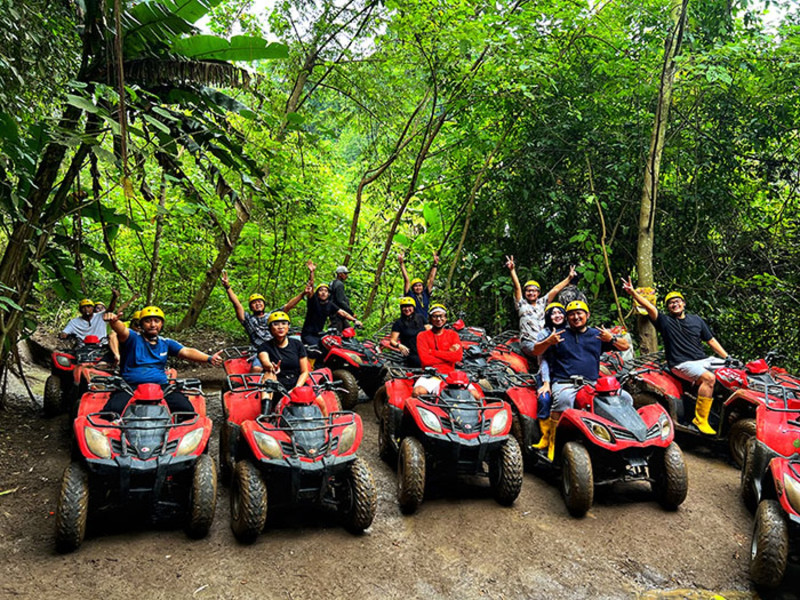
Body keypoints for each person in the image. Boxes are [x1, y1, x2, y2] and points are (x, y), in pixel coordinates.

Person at [622, 278, 729, 434]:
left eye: (677, 301)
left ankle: (722, 412)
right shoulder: (665, 321)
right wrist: (632, 292)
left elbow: (711, 340)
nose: (675, 304)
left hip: (703, 360)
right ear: (668, 308)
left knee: (734, 371)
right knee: (709, 378)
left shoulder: (696, 320)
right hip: (681, 363)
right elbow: (649, 307)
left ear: (683, 303)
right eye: (671, 303)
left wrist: (728, 358)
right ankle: (700, 420)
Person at [533, 300, 630, 459]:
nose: (576, 317)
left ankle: (621, 444)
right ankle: (554, 444)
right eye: (571, 314)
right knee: (563, 400)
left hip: (592, 384)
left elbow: (625, 346)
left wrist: (611, 338)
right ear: (567, 317)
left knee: (625, 398)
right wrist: (548, 342)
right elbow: (537, 350)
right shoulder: (559, 334)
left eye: (580, 313)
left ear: (587, 315)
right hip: (565, 382)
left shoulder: (597, 334)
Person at [101, 306, 223, 416]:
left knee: (187, 411)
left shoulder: (166, 343)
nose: (153, 324)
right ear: (141, 324)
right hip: (129, 386)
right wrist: (114, 321)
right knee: (110, 413)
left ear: (161, 324)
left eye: (156, 321)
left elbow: (186, 351)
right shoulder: (132, 338)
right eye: (148, 321)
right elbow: (121, 330)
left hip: (161, 386)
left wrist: (209, 358)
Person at [220, 266, 308, 372]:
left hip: (278, 347)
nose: (257, 304)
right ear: (251, 306)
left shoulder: (272, 316)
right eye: (254, 302)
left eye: (260, 301)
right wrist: (228, 287)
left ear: (264, 304)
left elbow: (288, 306)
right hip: (260, 350)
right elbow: (237, 304)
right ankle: (255, 387)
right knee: (257, 369)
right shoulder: (248, 319)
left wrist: (303, 293)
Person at [504, 256, 576, 357]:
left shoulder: (542, 303)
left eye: (534, 291)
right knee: (546, 353)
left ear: (538, 293)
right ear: (525, 293)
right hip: (529, 341)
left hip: (544, 338)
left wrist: (569, 278)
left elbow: (555, 290)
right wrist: (512, 270)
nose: (531, 293)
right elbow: (517, 287)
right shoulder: (521, 304)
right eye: (529, 290)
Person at [413, 303, 472, 397]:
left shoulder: (453, 335)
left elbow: (457, 357)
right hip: (431, 375)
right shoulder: (422, 336)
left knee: (476, 395)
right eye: (435, 316)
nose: (438, 319)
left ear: (446, 318)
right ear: (430, 319)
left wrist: (432, 352)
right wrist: (448, 354)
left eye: (441, 316)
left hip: (451, 374)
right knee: (418, 392)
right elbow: (425, 360)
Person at [530, 302, 566, 451]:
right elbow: (542, 359)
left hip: (565, 374)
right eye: (553, 313)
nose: (557, 315)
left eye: (560, 312)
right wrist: (546, 382)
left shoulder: (570, 331)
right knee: (545, 398)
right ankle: (546, 437)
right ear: (548, 316)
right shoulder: (544, 333)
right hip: (548, 374)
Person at [301, 264, 361, 347]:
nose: (323, 292)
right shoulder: (313, 301)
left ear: (328, 293)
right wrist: (312, 273)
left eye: (325, 291)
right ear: (317, 293)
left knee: (336, 345)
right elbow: (310, 287)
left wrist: (354, 320)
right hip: (308, 335)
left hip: (319, 334)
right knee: (322, 349)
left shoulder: (329, 304)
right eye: (321, 290)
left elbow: (342, 312)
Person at [388, 297, 428, 367]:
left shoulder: (420, 318)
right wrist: (399, 346)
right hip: (411, 353)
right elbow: (392, 340)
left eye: (409, 306)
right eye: (404, 307)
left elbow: (430, 330)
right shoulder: (398, 323)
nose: (407, 309)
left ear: (413, 307)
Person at [398, 251, 439, 320]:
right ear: (413, 288)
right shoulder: (410, 295)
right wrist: (401, 263)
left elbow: (431, 280)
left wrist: (435, 264)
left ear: (422, 287)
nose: (418, 287)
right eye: (415, 286)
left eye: (420, 285)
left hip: (424, 322)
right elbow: (406, 280)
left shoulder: (425, 294)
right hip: (412, 322)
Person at [329, 265, 359, 333]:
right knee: (336, 334)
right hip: (338, 314)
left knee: (348, 330)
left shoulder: (333, 283)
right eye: (345, 273)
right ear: (340, 274)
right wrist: (350, 313)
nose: (346, 276)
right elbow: (340, 301)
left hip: (335, 313)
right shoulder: (339, 284)